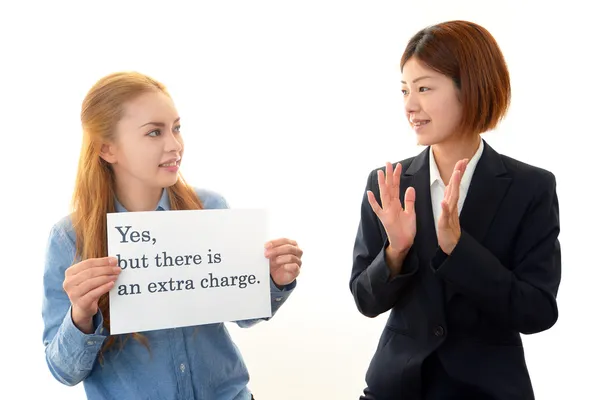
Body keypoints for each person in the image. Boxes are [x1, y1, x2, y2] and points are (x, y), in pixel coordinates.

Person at [41, 71, 303, 400]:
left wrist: (273, 282)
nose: (175, 145)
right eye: (154, 132)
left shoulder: (209, 208)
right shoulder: (69, 239)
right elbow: (63, 371)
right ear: (107, 148)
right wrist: (80, 315)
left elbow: (243, 314)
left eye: (176, 128)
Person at [349, 20, 561, 400]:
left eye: (425, 88)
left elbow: (538, 311)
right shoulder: (388, 183)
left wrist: (460, 250)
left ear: (472, 87)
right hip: (395, 388)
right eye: (404, 91)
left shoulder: (531, 188)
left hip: (488, 390)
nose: (410, 106)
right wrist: (395, 252)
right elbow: (366, 301)